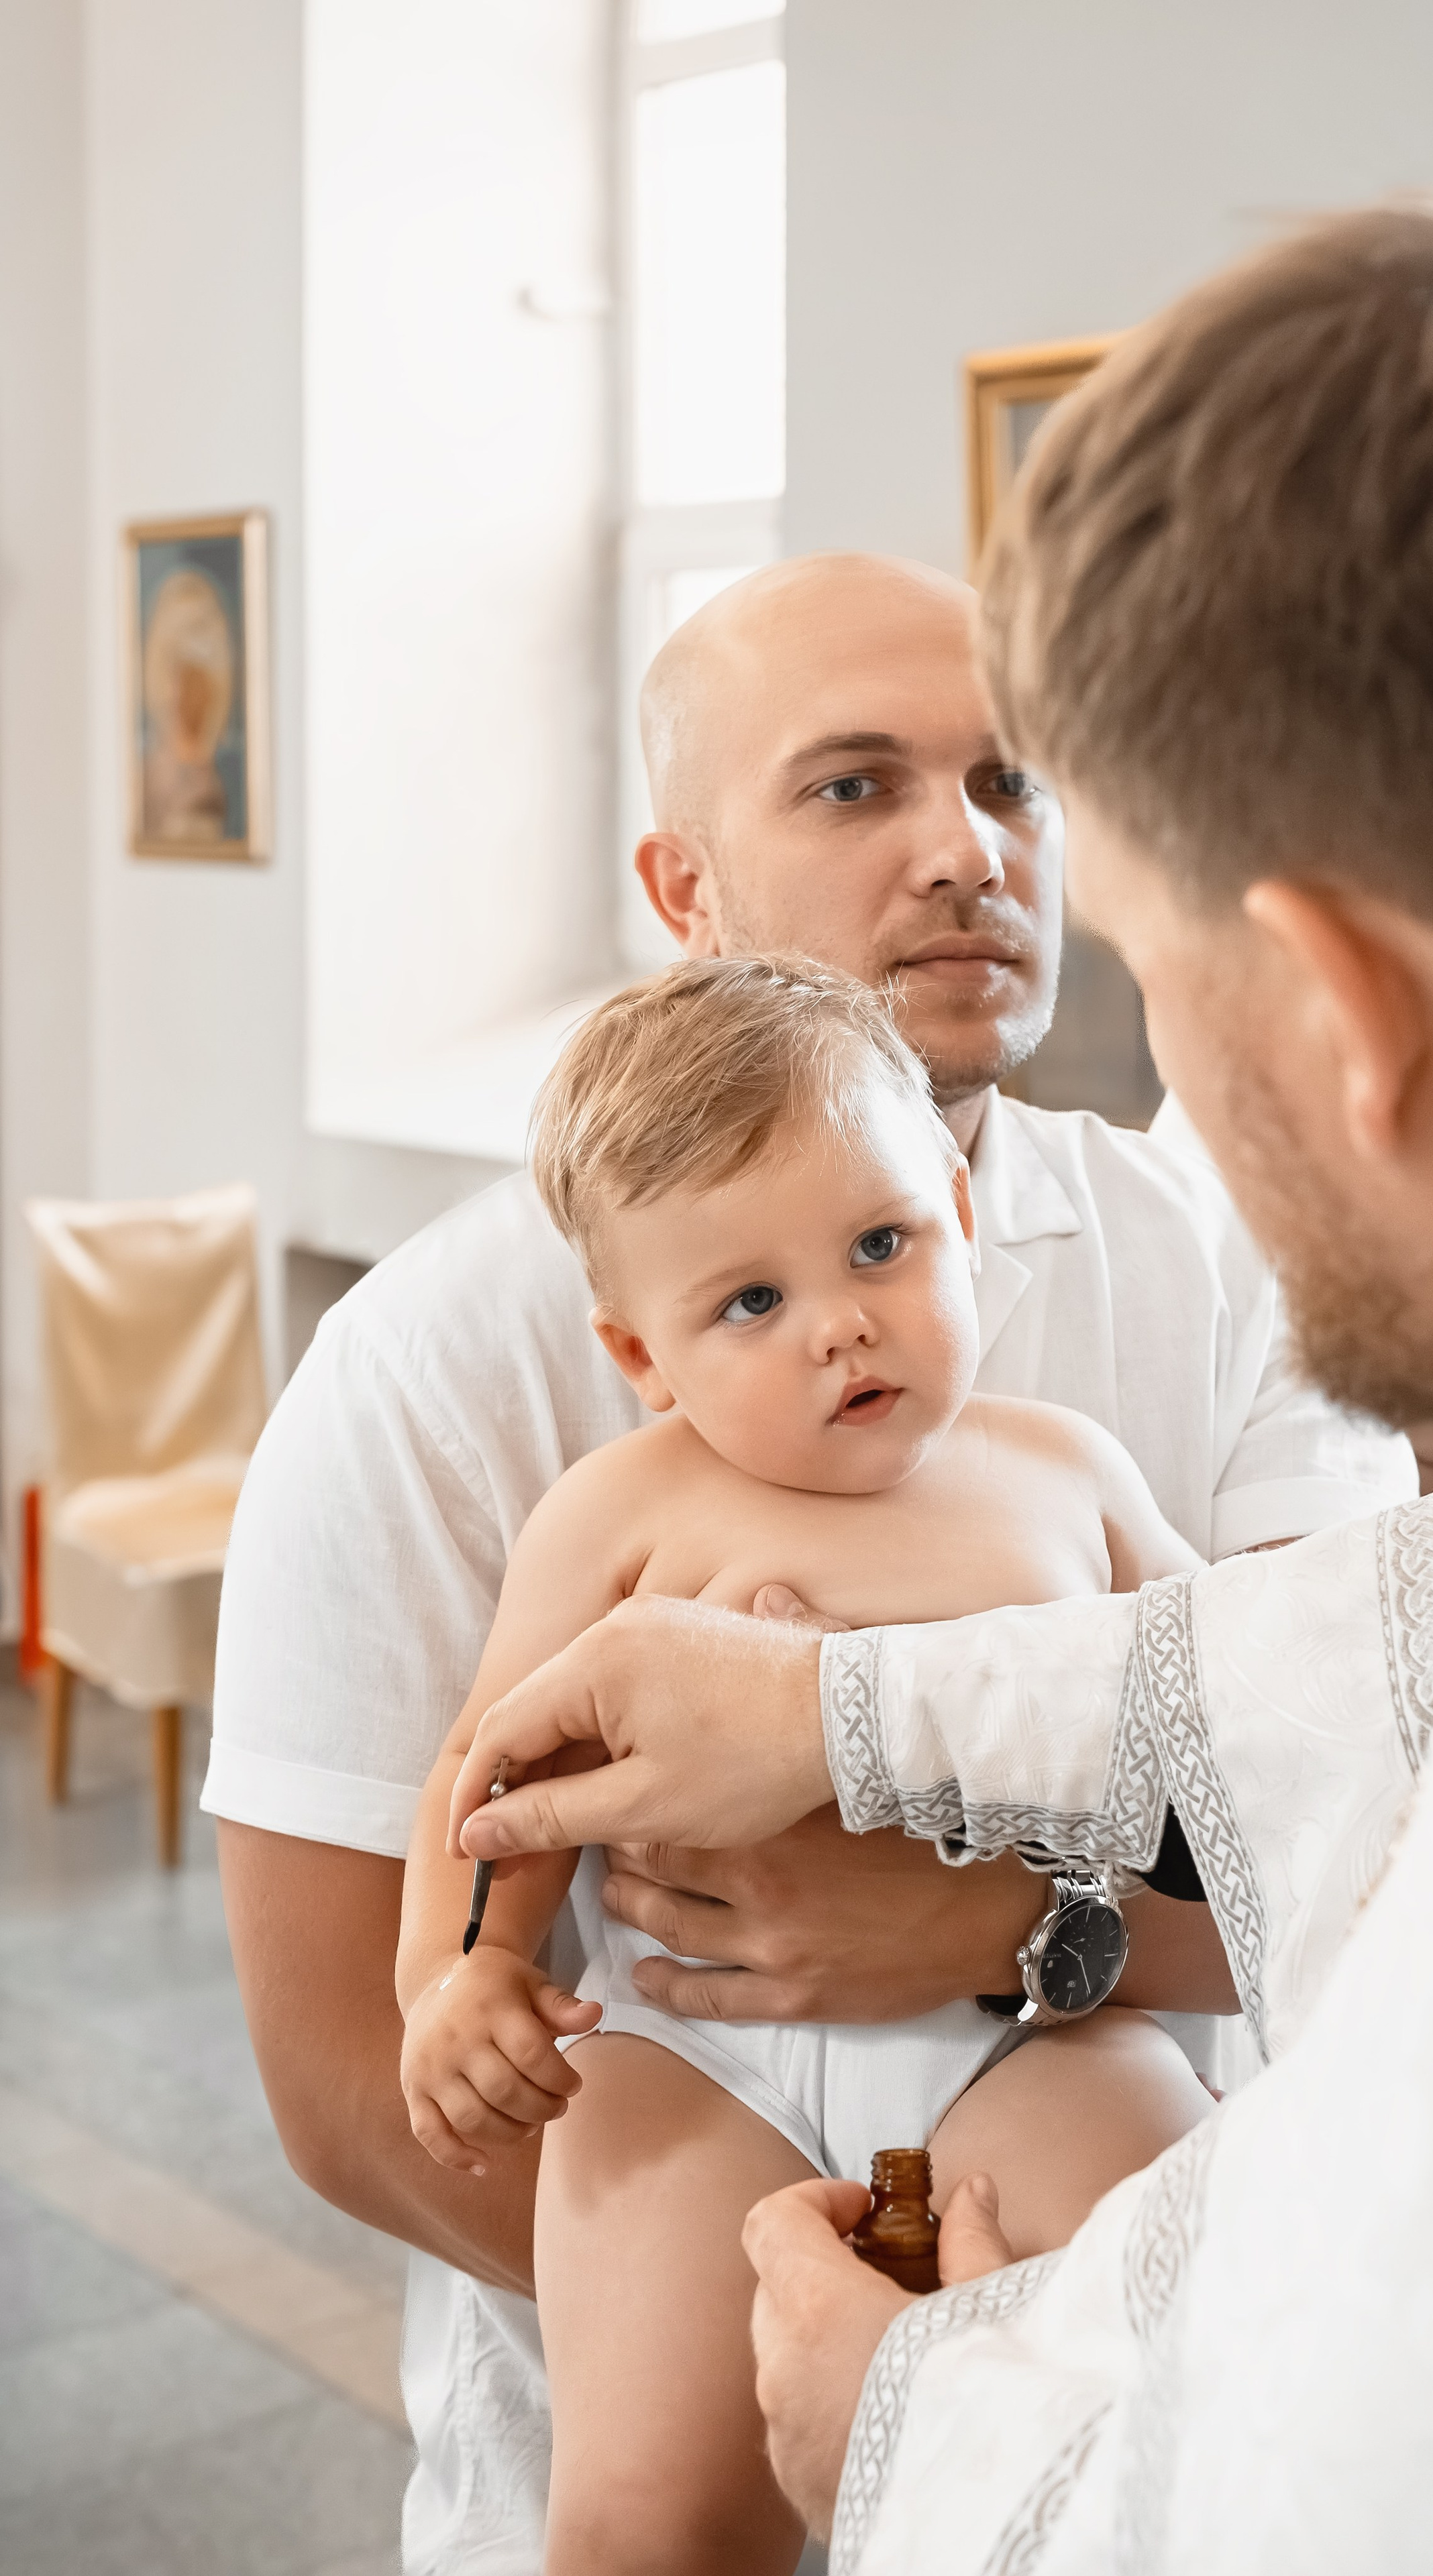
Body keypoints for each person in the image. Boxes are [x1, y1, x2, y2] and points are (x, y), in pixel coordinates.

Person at [454, 206, 1433, 2567]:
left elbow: (1423, 2482)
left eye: (1144, 970)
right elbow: (1409, 1627)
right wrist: (837, 1726)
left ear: (1342, 1010)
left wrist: (920, 2432)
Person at [207, 553, 1414, 2572]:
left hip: (1078, 2274)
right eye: (855, 787)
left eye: (1010, 784)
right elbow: (354, 2074)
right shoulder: (429, 1369)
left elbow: (1370, 1841)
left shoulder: (1209, 1271)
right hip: (654, 2242)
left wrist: (1003, 1948)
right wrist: (763, 2362)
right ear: (684, 892)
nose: (964, 850)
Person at [401, 956, 1212, 2573]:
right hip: (690, 2053)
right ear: (643, 1353)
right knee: (646, 2517)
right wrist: (456, 1967)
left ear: (961, 1221)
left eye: (879, 1244)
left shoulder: (1067, 1477)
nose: (839, 1321)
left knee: (1170, 2364)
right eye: (750, 1303)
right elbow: (491, 1769)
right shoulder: (620, 1511)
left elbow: (1234, 1727)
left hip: (1031, 2034)